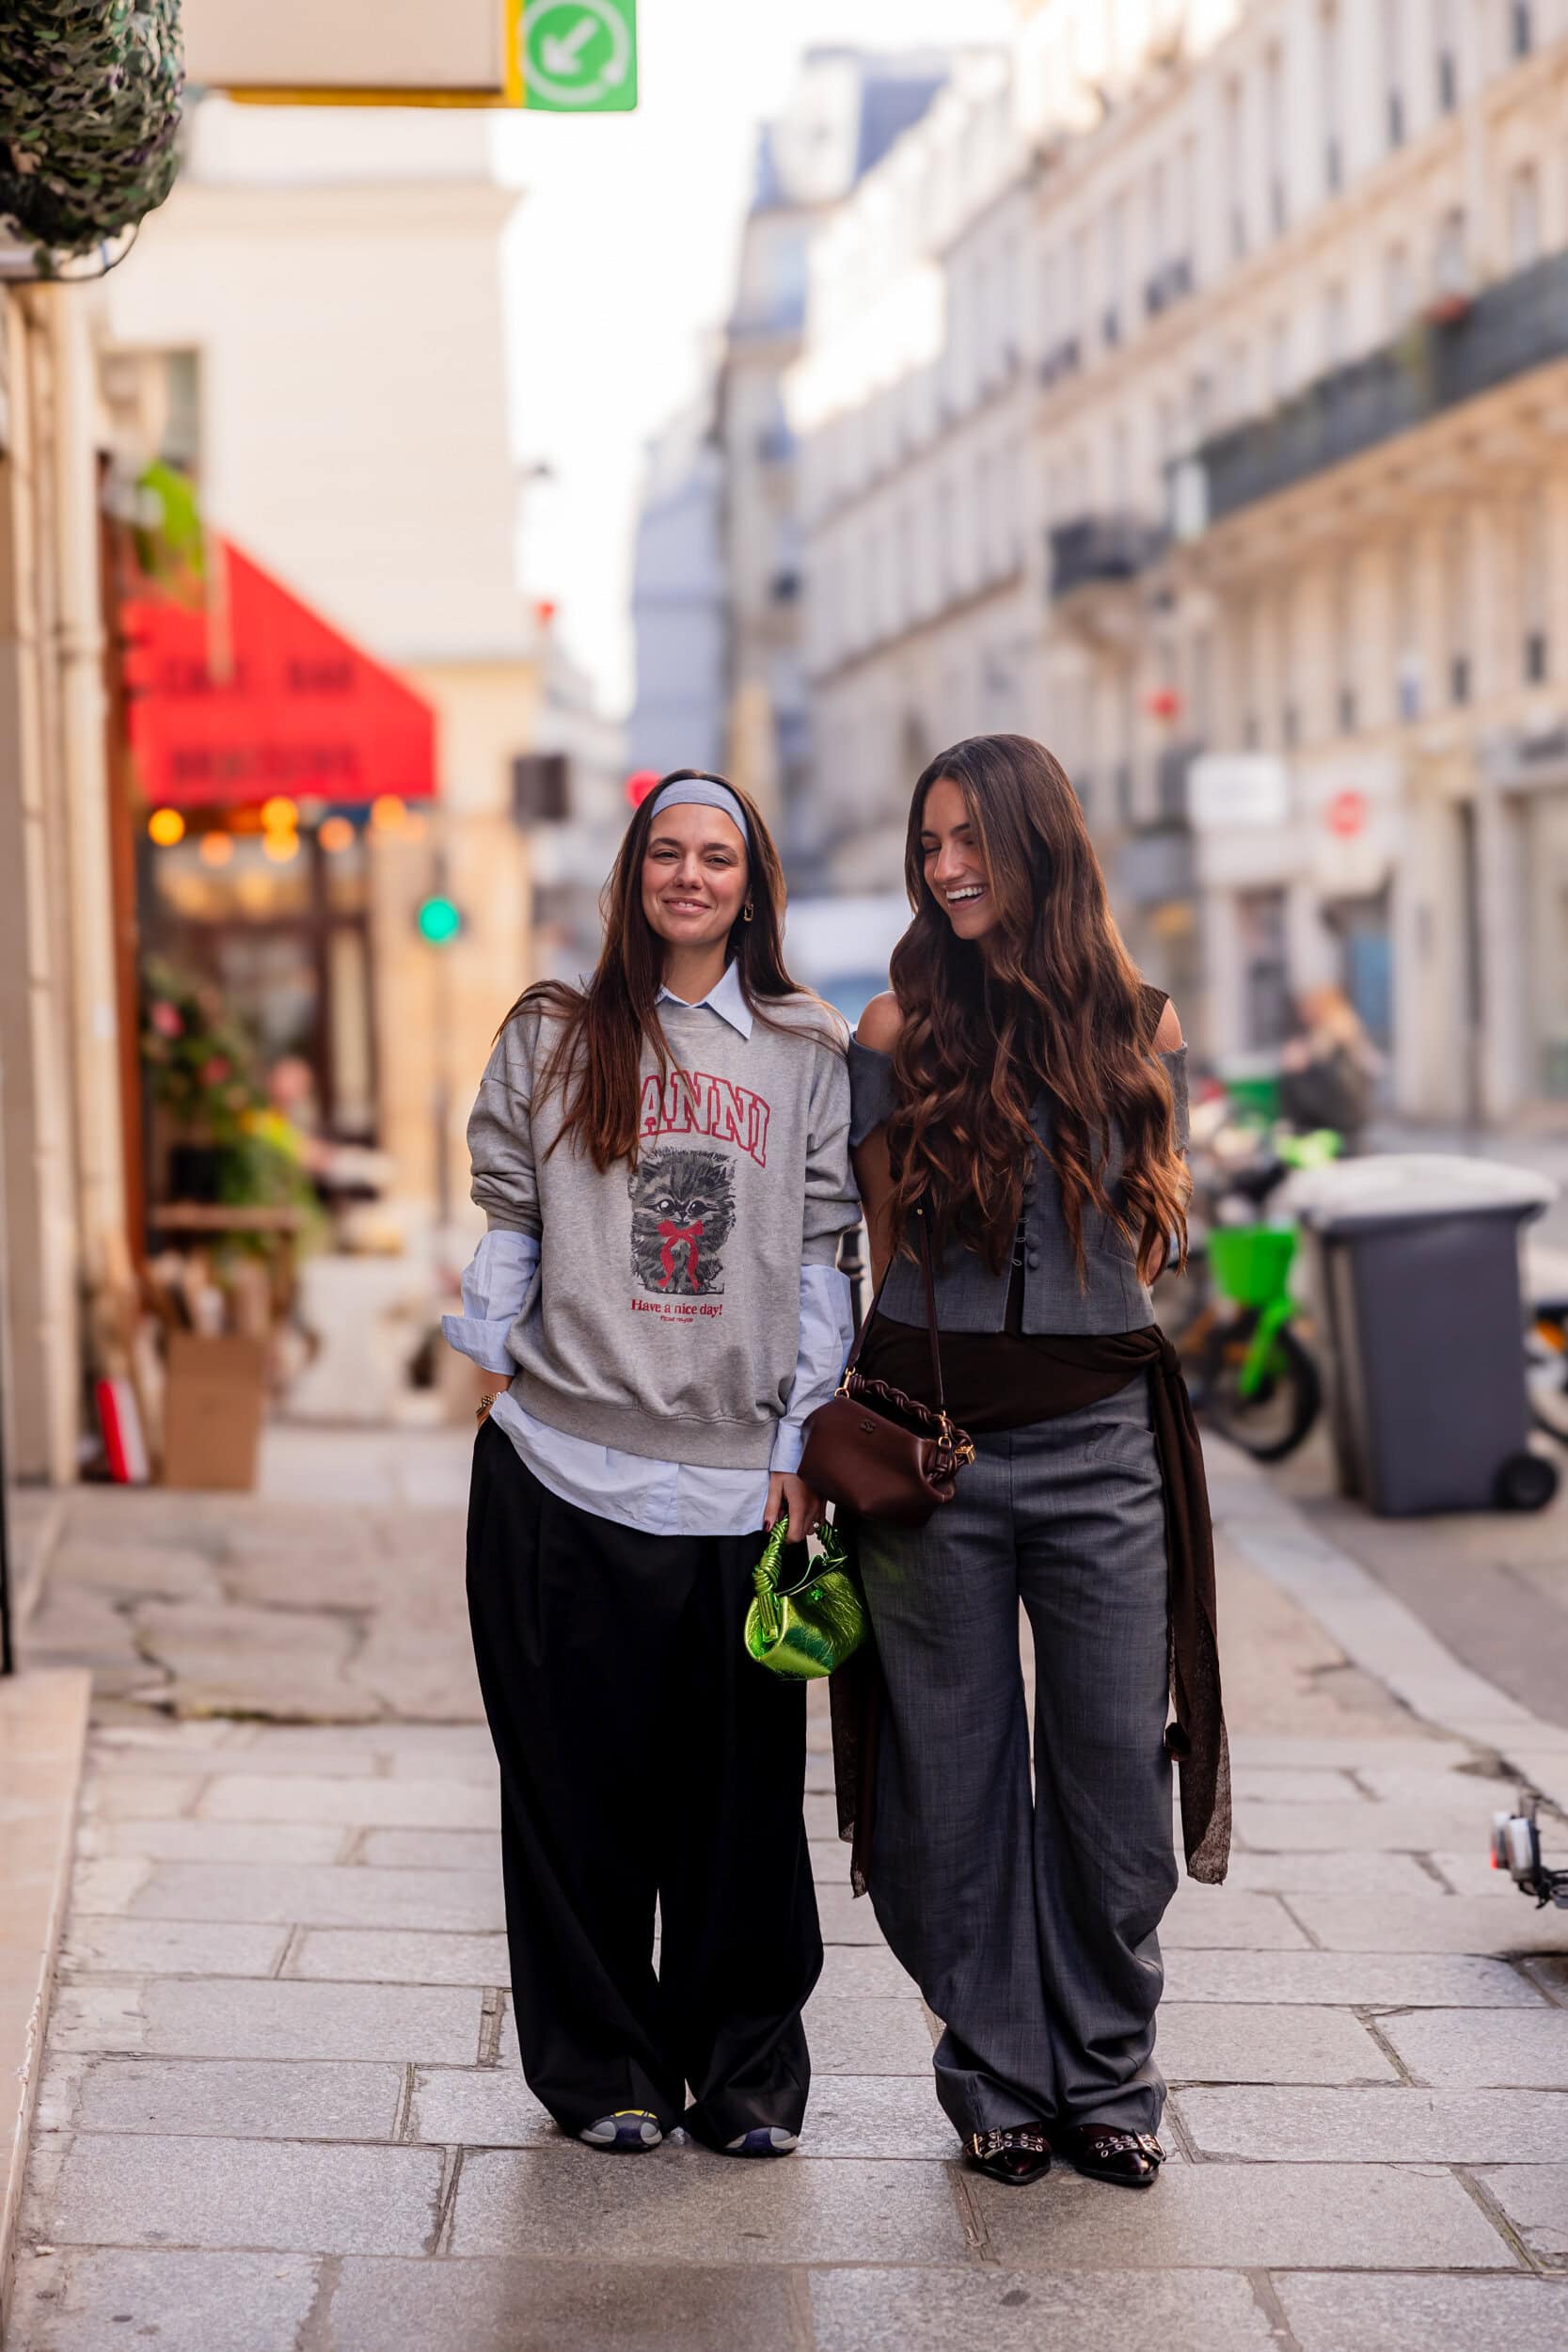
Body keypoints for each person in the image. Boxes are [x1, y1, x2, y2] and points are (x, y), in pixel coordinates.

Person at [444, 771, 858, 2160]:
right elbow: (509, 1209)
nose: (689, 877)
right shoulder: (556, 1033)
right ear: (631, 874)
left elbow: (818, 1257)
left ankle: (743, 2076)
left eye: (717, 858)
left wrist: (800, 1443)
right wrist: (490, 1348)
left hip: (733, 1489)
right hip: (562, 1470)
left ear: (752, 884)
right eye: (666, 855)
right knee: (575, 1803)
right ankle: (606, 2069)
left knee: (739, 1815)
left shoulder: (803, 1050)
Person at [845, 733, 1227, 2192]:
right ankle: (995, 2074)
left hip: (1101, 1448)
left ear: (1037, 845)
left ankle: (1106, 2075)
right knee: (948, 1780)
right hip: (929, 1452)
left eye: (969, 840)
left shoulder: (1141, 1023)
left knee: (1110, 1777)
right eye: (927, 842)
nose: (944, 866)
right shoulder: (893, 1030)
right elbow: (878, 1253)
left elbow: (1138, 1238)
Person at [1278, 983, 1381, 1152]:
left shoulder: (1329, 1045)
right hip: (1346, 1135)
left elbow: (1326, 1095)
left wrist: (1297, 1072)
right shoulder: (1349, 1039)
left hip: (1330, 1138)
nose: (1302, 1012)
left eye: (1307, 1006)